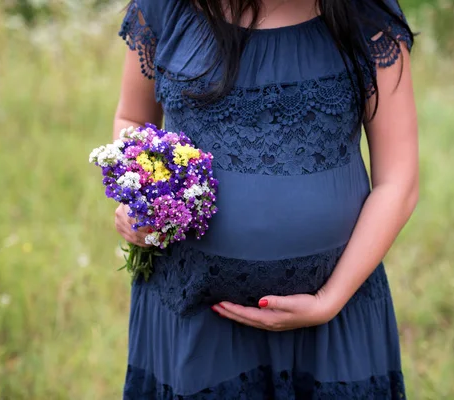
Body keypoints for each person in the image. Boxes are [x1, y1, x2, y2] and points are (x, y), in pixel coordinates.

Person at [113, 0, 418, 398]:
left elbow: (398, 181)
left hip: (331, 327)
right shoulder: (166, 8)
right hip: (194, 318)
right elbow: (133, 121)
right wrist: (137, 195)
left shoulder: (364, 14)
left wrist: (329, 299)